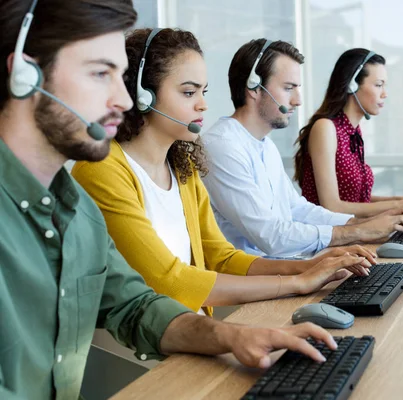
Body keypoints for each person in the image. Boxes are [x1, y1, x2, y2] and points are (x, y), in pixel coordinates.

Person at [0, 2, 350, 397]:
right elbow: (168, 281)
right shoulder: (89, 183)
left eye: (122, 77)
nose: (125, 99)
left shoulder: (76, 211)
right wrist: (298, 280)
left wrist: (232, 337)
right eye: (100, 73)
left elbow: (134, 306)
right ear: (24, 75)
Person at [72, 28, 375, 315]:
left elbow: (221, 256)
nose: (204, 105)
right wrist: (296, 282)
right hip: (139, 353)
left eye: (203, 92)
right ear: (143, 95)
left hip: (191, 324)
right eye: (189, 93)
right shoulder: (102, 170)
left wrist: (311, 265)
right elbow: (170, 280)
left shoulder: (182, 167)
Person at [201, 39, 403, 259]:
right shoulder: (222, 146)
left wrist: (362, 224)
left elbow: (297, 209)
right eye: (288, 88)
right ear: (254, 87)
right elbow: (271, 237)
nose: (298, 100)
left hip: (289, 267)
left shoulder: (265, 145)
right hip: (258, 280)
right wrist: (358, 231)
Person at [293, 48, 403, 218]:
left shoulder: (353, 132)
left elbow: (358, 201)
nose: (385, 93)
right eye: (378, 85)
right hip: (329, 239)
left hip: (354, 233)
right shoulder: (325, 128)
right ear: (352, 85)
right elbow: (332, 207)